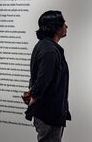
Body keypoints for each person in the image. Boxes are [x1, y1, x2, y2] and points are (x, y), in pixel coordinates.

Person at [25, 10, 71, 142]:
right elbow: (42, 79)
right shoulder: (49, 50)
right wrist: (34, 96)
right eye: (63, 23)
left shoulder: (44, 46)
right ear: (55, 27)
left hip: (48, 113)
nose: (66, 26)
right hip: (48, 114)